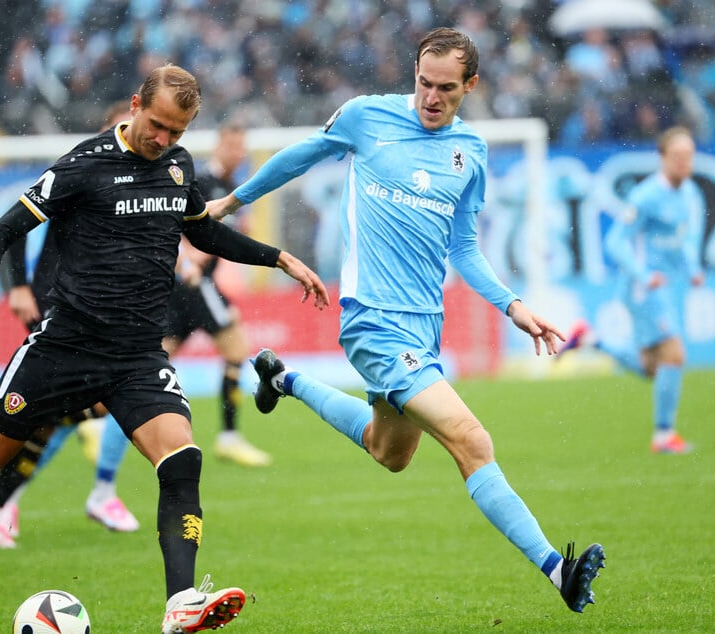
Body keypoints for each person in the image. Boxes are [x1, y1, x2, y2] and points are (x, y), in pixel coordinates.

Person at [0, 64, 329, 633]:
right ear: (134, 103)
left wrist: (279, 257)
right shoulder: (84, 165)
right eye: (155, 126)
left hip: (136, 357)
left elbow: (203, 231)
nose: (163, 141)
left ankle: (180, 604)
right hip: (63, 349)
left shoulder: (177, 167)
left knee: (182, 460)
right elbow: (1, 231)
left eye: (176, 132)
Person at [205, 27, 605, 615]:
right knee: (472, 440)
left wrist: (514, 307)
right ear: (413, 73)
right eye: (423, 83)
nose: (431, 97)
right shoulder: (367, 117)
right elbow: (299, 156)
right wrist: (229, 204)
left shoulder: (471, 153)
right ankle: (557, 569)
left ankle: (282, 378)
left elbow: (464, 249)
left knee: (388, 452)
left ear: (471, 85)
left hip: (424, 330)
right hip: (372, 321)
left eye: (447, 88)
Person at [0, 100, 141, 549]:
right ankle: (3, 504)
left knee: (55, 419)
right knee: (59, 414)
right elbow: (15, 224)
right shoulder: (84, 168)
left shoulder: (142, 179)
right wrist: (18, 285)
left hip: (94, 313)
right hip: (58, 305)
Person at [562, 126, 704, 455]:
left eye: (689, 156)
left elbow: (686, 242)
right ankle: (664, 436)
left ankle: (590, 340)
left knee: (651, 367)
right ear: (662, 158)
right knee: (675, 354)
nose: (684, 162)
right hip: (644, 289)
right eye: (678, 156)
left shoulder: (690, 194)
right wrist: (642, 274)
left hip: (665, 287)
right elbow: (615, 242)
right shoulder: (646, 196)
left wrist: (694, 270)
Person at [164, 122, 272, 467]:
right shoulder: (204, 182)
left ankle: (92, 415)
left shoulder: (227, 185)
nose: (236, 153)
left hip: (184, 287)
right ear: (218, 147)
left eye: (240, 147)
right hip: (194, 284)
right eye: (230, 146)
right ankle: (228, 437)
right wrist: (189, 258)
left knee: (155, 362)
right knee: (236, 347)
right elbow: (177, 223)